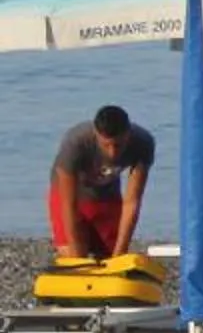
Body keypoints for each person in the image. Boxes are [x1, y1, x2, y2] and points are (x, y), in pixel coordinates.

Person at [48, 104, 153, 262]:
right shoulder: (75, 143)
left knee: (110, 257)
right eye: (106, 145)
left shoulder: (142, 143)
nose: (112, 152)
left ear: (128, 134)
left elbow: (132, 202)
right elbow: (69, 204)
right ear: (96, 134)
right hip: (71, 193)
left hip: (106, 194)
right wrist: (78, 261)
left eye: (118, 145)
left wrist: (119, 256)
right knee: (74, 252)